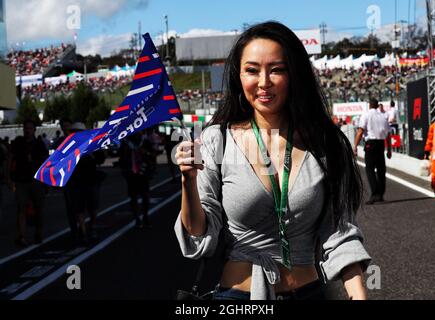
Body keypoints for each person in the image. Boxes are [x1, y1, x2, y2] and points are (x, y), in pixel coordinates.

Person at [174, 21, 371, 300]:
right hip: (238, 298)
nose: (264, 82)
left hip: (311, 293)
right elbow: (198, 235)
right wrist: (188, 180)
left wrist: (360, 295)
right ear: (238, 77)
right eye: (252, 70)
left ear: (294, 75)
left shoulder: (327, 143)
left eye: (277, 70)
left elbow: (340, 233)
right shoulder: (216, 140)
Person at [10, 119, 49, 246]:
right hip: (21, 180)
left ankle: (38, 233)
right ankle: (22, 236)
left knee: (39, 209)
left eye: (30, 128)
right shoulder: (18, 143)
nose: (27, 130)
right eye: (26, 128)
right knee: (21, 209)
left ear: (34, 130)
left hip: (36, 181)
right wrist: (8, 177)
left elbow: (46, 163)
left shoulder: (39, 144)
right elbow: (10, 159)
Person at [65, 122, 105, 244]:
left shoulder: (92, 144)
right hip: (76, 182)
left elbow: (101, 159)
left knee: (93, 208)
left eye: (78, 131)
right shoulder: (68, 146)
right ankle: (83, 232)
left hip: (91, 180)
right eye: (73, 131)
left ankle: (92, 227)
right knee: (79, 209)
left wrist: (91, 154)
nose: (75, 134)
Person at [354, 98, 392, 205]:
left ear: (370, 105)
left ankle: (374, 193)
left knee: (370, 169)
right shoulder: (383, 116)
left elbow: (360, 131)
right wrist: (389, 149)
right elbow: (388, 135)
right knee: (381, 169)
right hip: (381, 144)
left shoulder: (366, 115)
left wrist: (355, 146)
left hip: (370, 144)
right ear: (377, 106)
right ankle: (380, 194)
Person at [118, 131, 152, 228]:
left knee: (146, 196)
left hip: (143, 172)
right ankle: (137, 218)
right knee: (133, 197)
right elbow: (121, 158)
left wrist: (146, 152)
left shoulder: (144, 141)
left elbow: (153, 154)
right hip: (131, 173)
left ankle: (145, 216)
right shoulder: (125, 142)